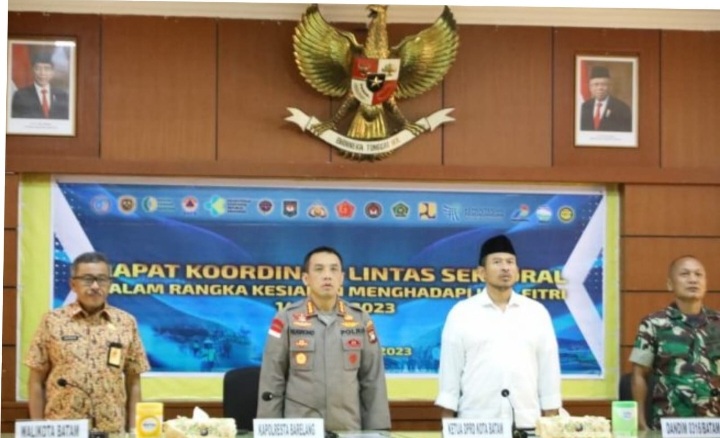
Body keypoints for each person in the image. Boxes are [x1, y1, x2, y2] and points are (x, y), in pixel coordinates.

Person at [257, 246, 391, 431]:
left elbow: (373, 380)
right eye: (319, 269)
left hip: (347, 429)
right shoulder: (286, 318)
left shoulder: (360, 319)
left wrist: (378, 432)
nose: (327, 276)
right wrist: (268, 431)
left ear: (341, 278)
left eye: (333, 269)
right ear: (306, 278)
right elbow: (272, 379)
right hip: (300, 431)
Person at [435, 234, 562, 430]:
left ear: (517, 270)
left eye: (510, 262)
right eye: (497, 262)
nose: (505, 268)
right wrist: (447, 425)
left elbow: (549, 371)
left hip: (527, 422)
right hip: (476, 423)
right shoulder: (462, 313)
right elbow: (450, 375)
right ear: (482, 272)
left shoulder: (536, 312)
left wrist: (551, 420)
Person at [25, 252, 150, 433]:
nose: (95, 286)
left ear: (110, 284)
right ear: (73, 284)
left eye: (102, 279)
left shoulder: (126, 322)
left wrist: (134, 430)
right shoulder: (52, 321)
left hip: (111, 430)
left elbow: (134, 382)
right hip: (64, 429)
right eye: (87, 279)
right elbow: (36, 381)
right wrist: (38, 429)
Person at [629, 255, 720, 430]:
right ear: (670, 284)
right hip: (670, 424)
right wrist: (640, 423)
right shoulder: (654, 323)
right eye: (685, 274)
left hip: (713, 423)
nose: (693, 279)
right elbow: (639, 374)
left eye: (698, 274)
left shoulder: (717, 323)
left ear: (705, 283)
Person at [11, 50, 70, 119]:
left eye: (46, 69)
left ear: (52, 72)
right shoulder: (20, 95)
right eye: (38, 68)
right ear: (32, 71)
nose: (42, 73)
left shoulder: (62, 96)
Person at [580, 65, 632, 132]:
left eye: (604, 84)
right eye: (596, 84)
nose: (600, 88)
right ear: (590, 87)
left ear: (610, 87)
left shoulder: (622, 108)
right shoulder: (584, 107)